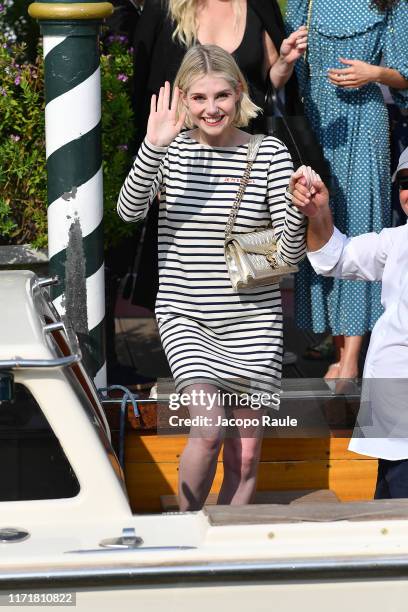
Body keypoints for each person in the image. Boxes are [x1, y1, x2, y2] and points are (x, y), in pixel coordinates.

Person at [118, 45, 306, 510]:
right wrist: (153, 146)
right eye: (199, 98)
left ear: (239, 93)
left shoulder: (270, 153)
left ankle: (226, 555)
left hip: (253, 320)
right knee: (207, 430)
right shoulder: (170, 151)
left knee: (246, 454)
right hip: (187, 315)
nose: (211, 108)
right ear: (183, 99)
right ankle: (186, 533)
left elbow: (289, 254)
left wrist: (300, 212)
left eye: (221, 95)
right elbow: (128, 211)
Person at [131, 0, 307, 313]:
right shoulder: (164, 9)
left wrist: (284, 65)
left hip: (245, 157)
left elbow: (265, 89)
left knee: (249, 257)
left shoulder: (257, 7)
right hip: (184, 156)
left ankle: (248, 331)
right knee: (188, 260)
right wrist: (151, 157)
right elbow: (144, 83)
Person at [286, 0, 408, 381]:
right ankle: (337, 349)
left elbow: (405, 75)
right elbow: (283, 63)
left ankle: (350, 357)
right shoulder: (304, 2)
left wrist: (373, 73)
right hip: (316, 119)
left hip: (365, 122)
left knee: (357, 225)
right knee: (319, 219)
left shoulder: (392, 3)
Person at [290, 147, 408, 498]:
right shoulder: (396, 240)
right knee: (392, 508)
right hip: (394, 401)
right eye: (405, 181)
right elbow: (333, 257)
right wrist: (319, 211)